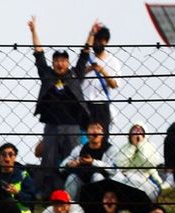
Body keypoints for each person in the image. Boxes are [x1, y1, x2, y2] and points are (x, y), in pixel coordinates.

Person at [28, 16, 89, 199]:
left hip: (72, 126)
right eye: (57, 60)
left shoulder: (75, 75)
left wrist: (91, 34)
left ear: (68, 63)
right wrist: (34, 31)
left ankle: (71, 194)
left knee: (72, 161)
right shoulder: (47, 75)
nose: (60, 63)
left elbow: (84, 55)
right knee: (49, 161)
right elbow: (39, 55)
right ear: (53, 63)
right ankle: (46, 193)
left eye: (63, 60)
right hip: (51, 126)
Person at [77, 21, 122, 140]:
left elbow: (114, 84)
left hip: (101, 105)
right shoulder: (87, 58)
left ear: (106, 42)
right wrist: (88, 70)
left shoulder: (113, 61)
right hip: (85, 103)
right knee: (83, 138)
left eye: (100, 40)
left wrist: (102, 71)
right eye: (95, 40)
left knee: (101, 139)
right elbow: (76, 76)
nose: (97, 43)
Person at [59, 121, 115, 199]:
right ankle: (69, 204)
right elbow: (61, 166)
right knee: (72, 177)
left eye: (98, 128)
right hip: (81, 180)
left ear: (103, 133)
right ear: (86, 132)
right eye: (92, 128)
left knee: (97, 177)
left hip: (102, 181)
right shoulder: (79, 149)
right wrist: (70, 163)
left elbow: (113, 170)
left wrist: (93, 162)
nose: (95, 131)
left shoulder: (109, 149)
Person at [112, 122, 164, 201]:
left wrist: (140, 145)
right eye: (134, 131)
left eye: (140, 131)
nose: (137, 133)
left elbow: (149, 163)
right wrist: (132, 147)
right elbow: (119, 165)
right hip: (127, 178)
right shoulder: (125, 147)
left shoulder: (150, 146)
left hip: (148, 178)